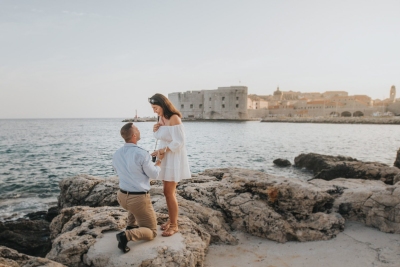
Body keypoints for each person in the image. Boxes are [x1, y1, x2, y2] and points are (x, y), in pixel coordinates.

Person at [112, 122, 163, 253]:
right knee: (152, 232)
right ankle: (126, 236)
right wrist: (159, 162)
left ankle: (130, 226)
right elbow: (155, 174)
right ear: (134, 135)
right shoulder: (142, 154)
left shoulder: (117, 153)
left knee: (133, 207)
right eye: (138, 129)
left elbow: (121, 170)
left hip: (122, 198)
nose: (139, 131)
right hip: (138, 200)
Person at [148, 93, 191, 237]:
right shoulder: (161, 118)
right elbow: (162, 136)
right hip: (165, 157)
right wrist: (156, 129)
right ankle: (171, 220)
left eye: (155, 107)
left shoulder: (174, 118)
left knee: (168, 192)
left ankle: (174, 225)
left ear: (162, 104)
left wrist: (162, 150)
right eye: (153, 108)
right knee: (167, 192)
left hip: (173, 157)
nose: (154, 111)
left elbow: (179, 142)